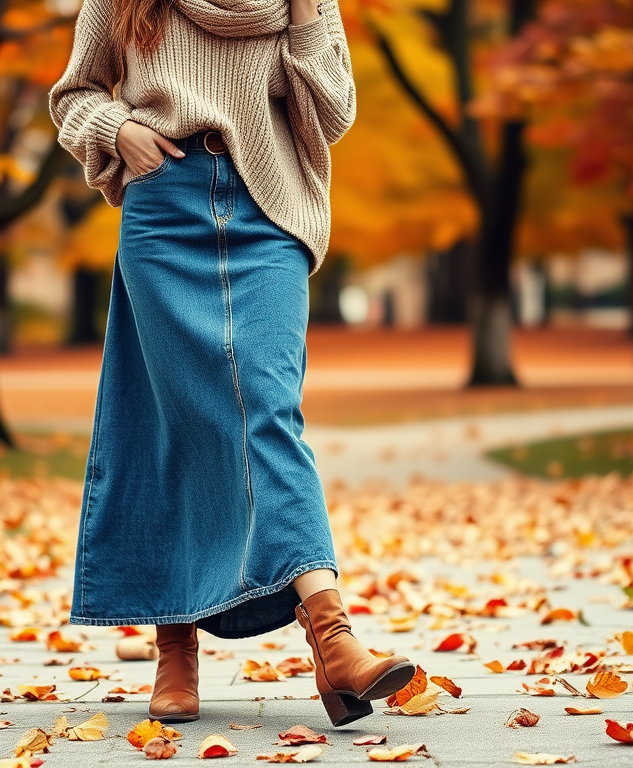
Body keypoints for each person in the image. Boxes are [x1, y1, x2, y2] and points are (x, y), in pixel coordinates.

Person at [48, 0, 416, 727]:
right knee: (173, 421)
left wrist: (306, 13)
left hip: (268, 209)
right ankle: (175, 649)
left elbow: (334, 113)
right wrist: (117, 128)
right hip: (163, 212)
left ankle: (333, 638)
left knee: (268, 410)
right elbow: (72, 95)